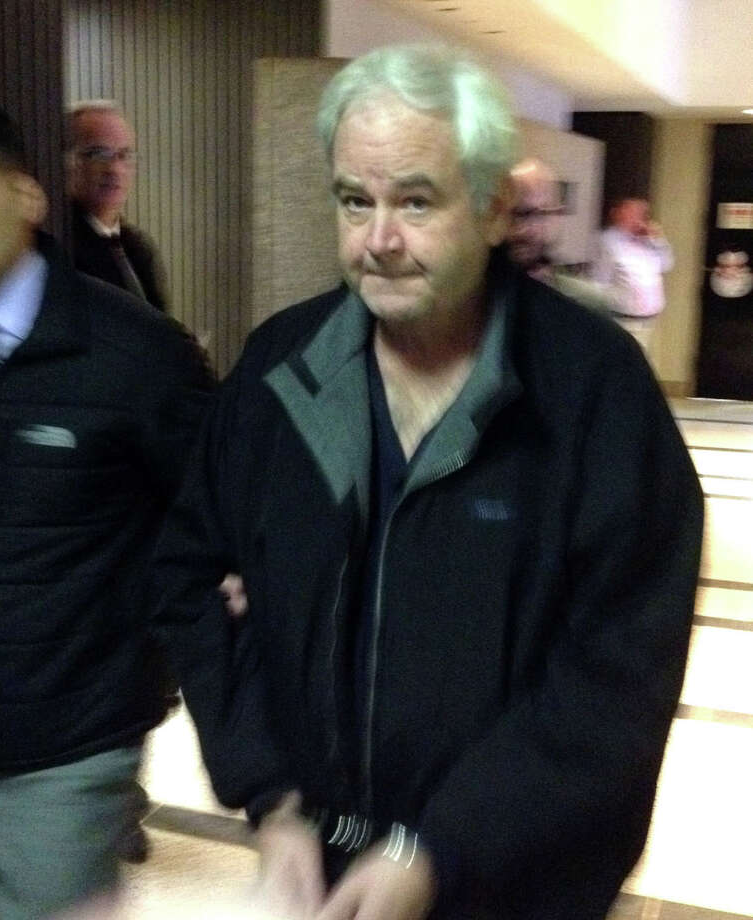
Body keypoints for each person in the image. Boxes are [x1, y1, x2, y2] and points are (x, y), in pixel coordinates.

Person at [153, 45, 703, 920]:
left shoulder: (594, 395)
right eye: (353, 201)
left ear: (490, 210)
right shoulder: (280, 373)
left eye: (415, 200)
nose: (379, 241)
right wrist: (275, 801)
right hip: (327, 876)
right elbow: (186, 573)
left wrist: (437, 851)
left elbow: (616, 678)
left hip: (520, 887)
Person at [0, 101, 214, 920]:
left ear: (26, 194)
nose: (113, 168)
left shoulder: (135, 356)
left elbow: (211, 531)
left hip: (61, 755)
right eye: (97, 153)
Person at [66, 100, 169, 311]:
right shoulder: (59, 246)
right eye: (98, 154)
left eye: (124, 155)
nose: (114, 169)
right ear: (69, 161)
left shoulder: (139, 247)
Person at [507, 157, 613, 311]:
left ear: (557, 216)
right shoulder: (477, 303)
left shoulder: (586, 304)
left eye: (534, 214)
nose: (520, 229)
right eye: (513, 214)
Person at [591, 196, 674, 353]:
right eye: (633, 212)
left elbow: (667, 265)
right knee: (624, 365)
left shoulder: (650, 239)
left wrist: (658, 240)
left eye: (642, 213)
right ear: (619, 213)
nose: (639, 217)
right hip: (624, 320)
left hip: (650, 320)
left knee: (644, 364)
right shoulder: (608, 241)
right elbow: (599, 282)